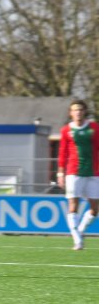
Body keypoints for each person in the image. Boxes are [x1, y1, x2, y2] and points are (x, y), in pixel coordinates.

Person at [56, 99, 99, 250]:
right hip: (74, 172)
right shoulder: (66, 130)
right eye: (75, 110)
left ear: (85, 111)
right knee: (73, 206)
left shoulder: (94, 127)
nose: (78, 112)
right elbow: (62, 152)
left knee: (95, 209)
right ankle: (77, 240)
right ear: (71, 113)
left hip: (94, 172)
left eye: (80, 109)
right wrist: (60, 173)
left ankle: (80, 231)